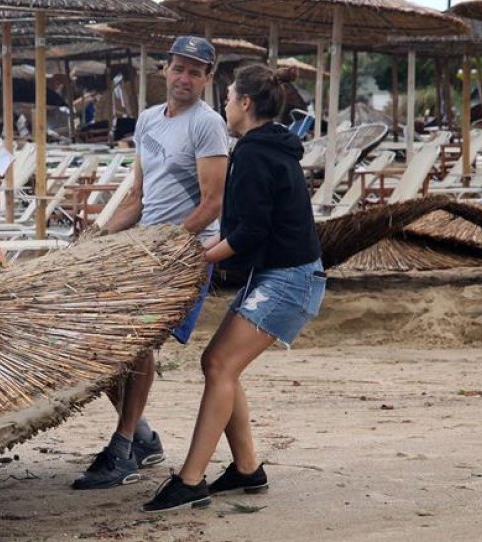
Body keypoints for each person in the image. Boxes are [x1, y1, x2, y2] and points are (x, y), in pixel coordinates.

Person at [141, 64, 326, 512]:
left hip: (289, 281)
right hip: (279, 275)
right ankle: (247, 469)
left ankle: (189, 480)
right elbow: (246, 228)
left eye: (227, 97)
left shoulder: (254, 154)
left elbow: (248, 234)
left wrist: (195, 256)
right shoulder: (265, 147)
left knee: (220, 364)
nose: (223, 104)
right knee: (219, 364)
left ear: (245, 104)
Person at [71, 36, 229, 490]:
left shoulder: (208, 125)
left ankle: (122, 447)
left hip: (183, 254)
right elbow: (138, 198)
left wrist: (165, 245)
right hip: (143, 249)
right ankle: (141, 437)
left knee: (137, 341)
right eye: (178, 68)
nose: (184, 78)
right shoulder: (147, 121)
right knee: (100, 340)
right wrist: (101, 235)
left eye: (195, 72)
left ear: (207, 79)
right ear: (164, 70)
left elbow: (211, 204)